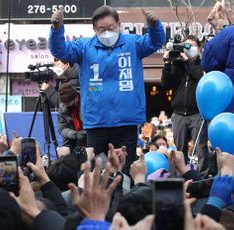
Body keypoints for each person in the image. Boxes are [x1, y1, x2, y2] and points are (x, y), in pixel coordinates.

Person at [50, 6, 165, 172]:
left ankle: (124, 197)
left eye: (111, 28)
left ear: (119, 24)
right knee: (98, 171)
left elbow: (155, 42)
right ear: (94, 29)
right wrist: (56, 29)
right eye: (101, 29)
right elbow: (60, 50)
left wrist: (154, 25)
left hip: (126, 122)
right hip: (96, 124)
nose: (107, 33)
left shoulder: (133, 43)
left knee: (125, 171)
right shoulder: (84, 47)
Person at [161, 35, 210, 178]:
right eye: (185, 45)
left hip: (197, 113)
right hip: (178, 113)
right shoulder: (179, 64)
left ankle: (202, 177)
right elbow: (166, 84)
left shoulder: (202, 63)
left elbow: (201, 78)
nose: (187, 49)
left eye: (191, 46)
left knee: (201, 148)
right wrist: (167, 63)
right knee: (179, 149)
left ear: (198, 48)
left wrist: (189, 61)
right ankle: (179, 178)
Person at [57, 83, 86, 149]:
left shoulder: (85, 101)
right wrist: (75, 134)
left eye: (68, 102)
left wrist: (84, 133)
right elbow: (62, 128)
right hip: (73, 138)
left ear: (75, 97)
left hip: (88, 135)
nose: (66, 105)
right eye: (64, 103)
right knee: (63, 152)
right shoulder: (62, 106)